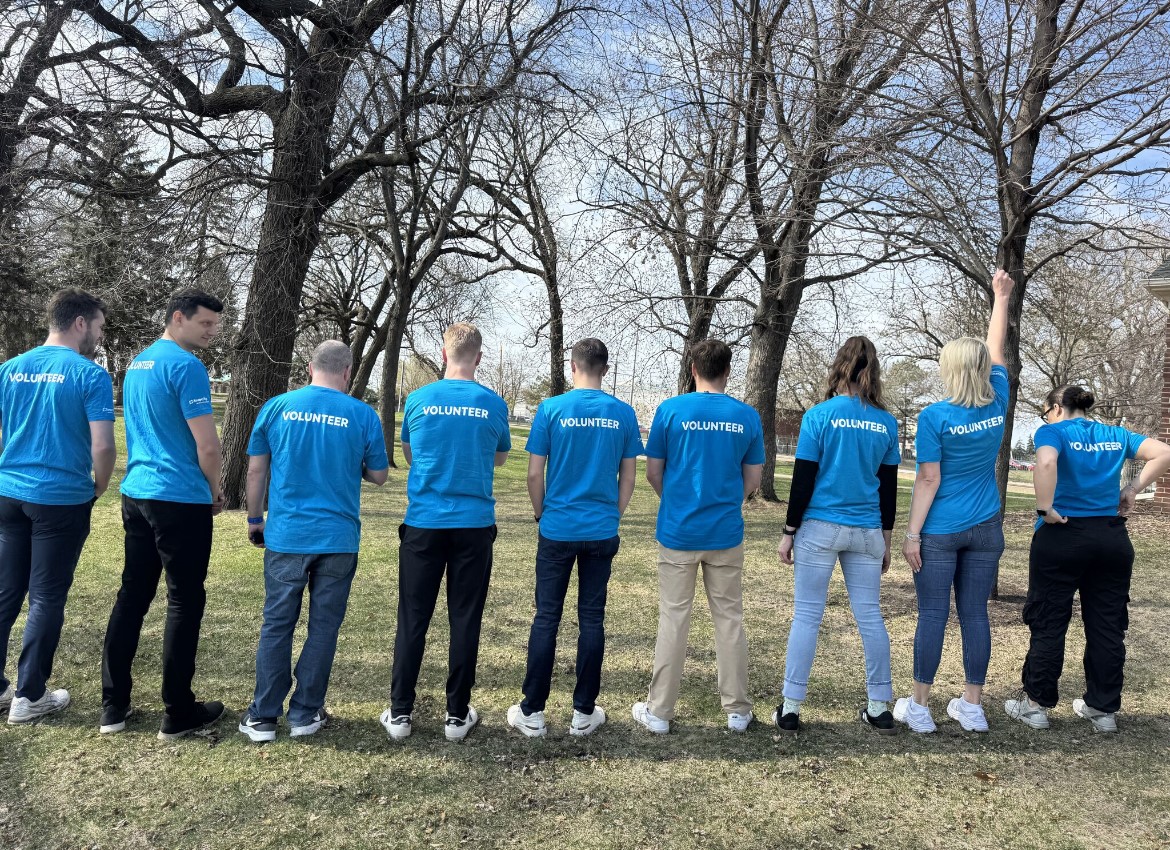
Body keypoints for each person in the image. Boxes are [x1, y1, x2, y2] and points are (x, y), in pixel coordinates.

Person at [238, 341, 389, 743]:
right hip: (338, 538)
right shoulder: (362, 414)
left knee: (277, 623)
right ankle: (305, 713)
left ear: (309, 367)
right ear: (348, 371)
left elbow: (256, 471)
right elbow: (379, 475)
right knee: (324, 627)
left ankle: (262, 717)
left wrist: (255, 519)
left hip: (287, 535)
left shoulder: (276, 407)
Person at [1005, 385, 1170, 733]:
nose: (1046, 419)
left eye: (1045, 413)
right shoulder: (1115, 434)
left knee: (1049, 619)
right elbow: (1163, 453)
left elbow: (1046, 461)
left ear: (1056, 408)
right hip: (1110, 538)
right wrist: (1132, 489)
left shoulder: (1053, 432)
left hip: (1062, 534)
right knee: (1107, 624)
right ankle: (1103, 709)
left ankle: (1035, 706)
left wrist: (1044, 508)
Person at [99, 289, 226, 740]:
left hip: (137, 494)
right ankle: (178, 711)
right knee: (184, 599)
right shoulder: (187, 366)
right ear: (178, 318)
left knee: (132, 595)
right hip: (178, 497)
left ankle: (113, 707)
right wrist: (214, 490)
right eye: (205, 323)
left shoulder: (138, 362)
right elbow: (208, 445)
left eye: (215, 325)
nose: (212, 332)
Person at [379, 322, 511, 742]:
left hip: (424, 524)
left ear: (443, 353)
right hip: (473, 526)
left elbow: (410, 453)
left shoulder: (419, 400)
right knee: (465, 619)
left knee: (412, 618)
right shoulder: (493, 404)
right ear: (479, 357)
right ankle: (456, 714)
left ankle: (400, 712)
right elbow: (500, 457)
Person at [895, 269, 1014, 734]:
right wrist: (1000, 298)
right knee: (974, 614)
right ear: (982, 369)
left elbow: (928, 479)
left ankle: (920, 707)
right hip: (986, 527)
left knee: (932, 614)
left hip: (941, 530)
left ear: (950, 370)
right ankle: (972, 706)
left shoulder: (935, 416)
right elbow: (997, 349)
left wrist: (912, 534)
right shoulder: (998, 401)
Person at [506, 339, 642, 739]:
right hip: (601, 529)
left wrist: (541, 514)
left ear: (572, 366)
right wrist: (612, 515)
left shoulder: (551, 409)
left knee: (546, 618)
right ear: (605, 369)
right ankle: (583, 712)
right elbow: (628, 477)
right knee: (592, 619)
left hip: (557, 529)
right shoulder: (623, 413)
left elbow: (535, 474)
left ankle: (532, 711)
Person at [632, 338, 765, 735]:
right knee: (729, 620)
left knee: (674, 618)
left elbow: (653, 472)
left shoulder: (671, 410)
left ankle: (659, 712)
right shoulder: (746, 416)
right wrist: (727, 503)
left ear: (693, 370)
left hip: (679, 532)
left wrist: (676, 502)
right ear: (728, 371)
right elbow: (753, 479)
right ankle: (737, 711)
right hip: (724, 533)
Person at [0, 290, 115, 724]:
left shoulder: (9, 368)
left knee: (6, 591)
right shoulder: (90, 374)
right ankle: (29, 696)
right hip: (60, 497)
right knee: (46, 597)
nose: (99, 337)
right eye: (99, 327)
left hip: (8, 494)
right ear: (80, 323)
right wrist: (98, 486)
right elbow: (103, 445)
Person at [776, 335, 900, 735]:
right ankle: (879, 707)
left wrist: (789, 531)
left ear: (839, 366)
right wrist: (886, 540)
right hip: (867, 531)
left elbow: (803, 480)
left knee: (807, 616)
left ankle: (791, 707)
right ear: (873, 370)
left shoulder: (819, 415)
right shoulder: (886, 423)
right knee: (870, 616)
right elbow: (889, 488)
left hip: (819, 527)